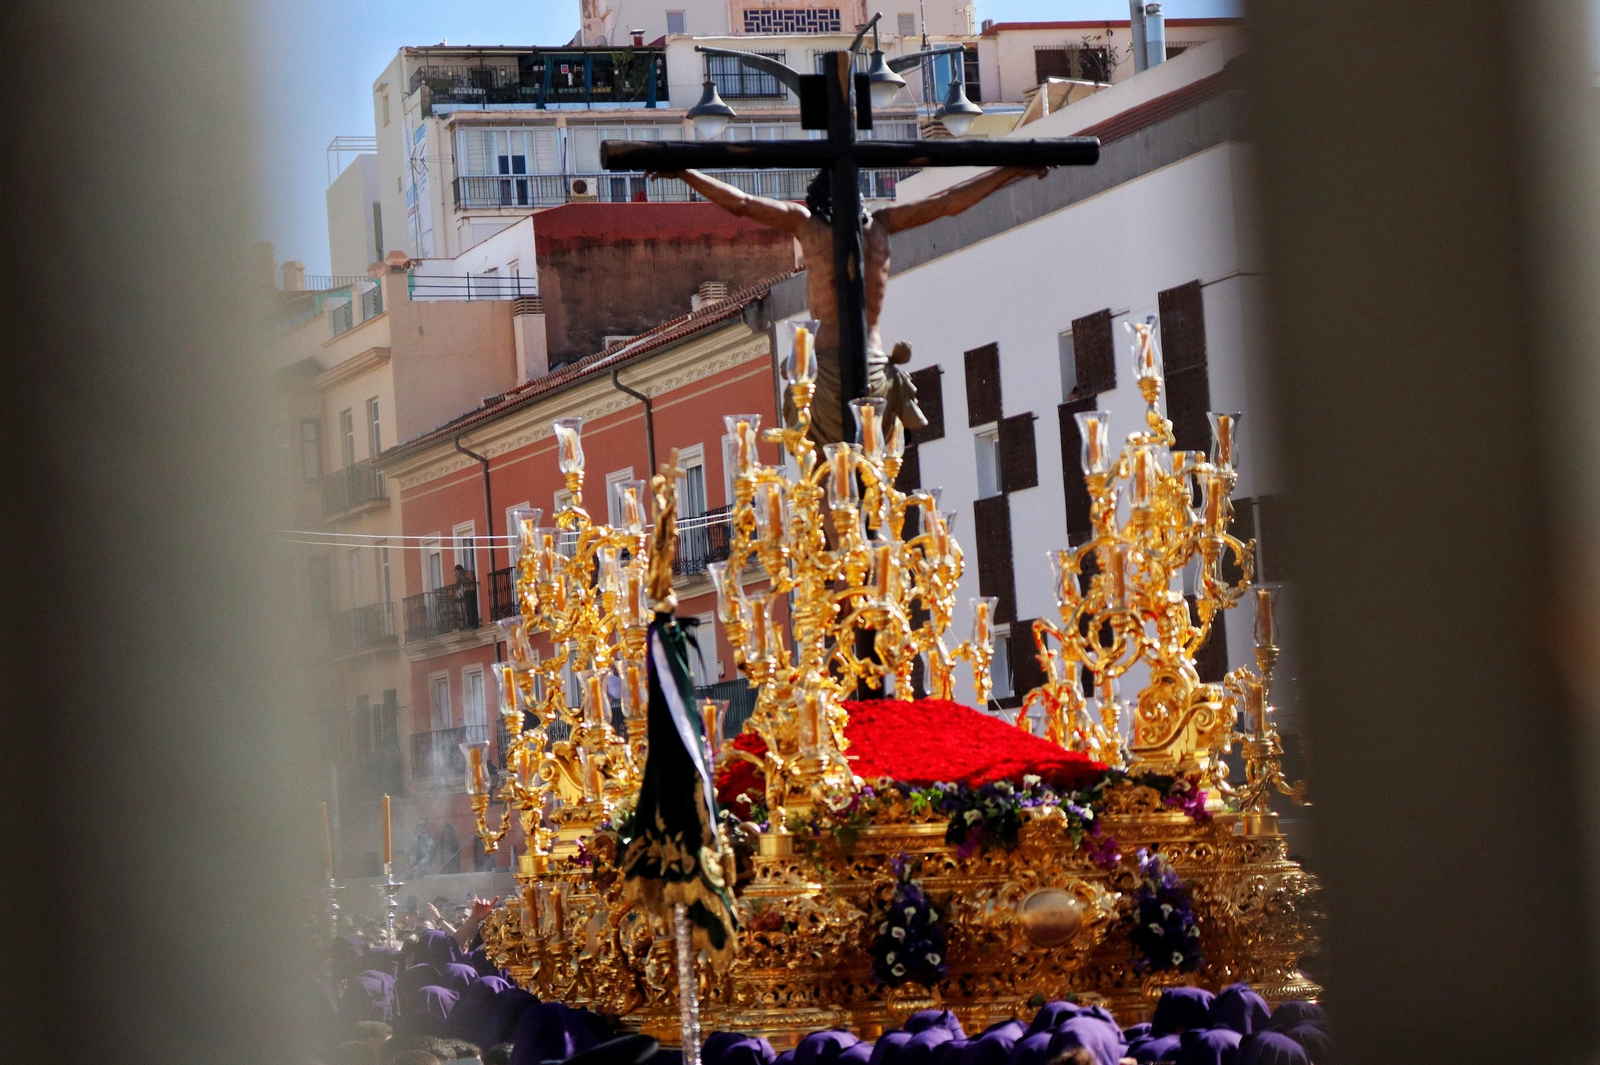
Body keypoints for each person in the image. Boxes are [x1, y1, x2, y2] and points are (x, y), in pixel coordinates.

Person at [658, 165, 1047, 446]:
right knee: (871, 477)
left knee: (835, 476)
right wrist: (1009, 170)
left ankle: (845, 551)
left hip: (831, 369)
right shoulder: (880, 224)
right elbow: (947, 203)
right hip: (869, 367)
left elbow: (742, 203)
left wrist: (685, 174)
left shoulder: (809, 225)